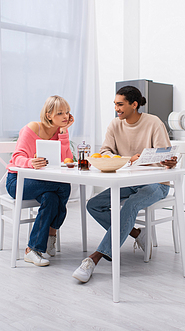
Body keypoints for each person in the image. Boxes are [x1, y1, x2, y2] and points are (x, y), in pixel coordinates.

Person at [72, 86, 177, 282]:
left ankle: (94, 259)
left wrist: (169, 161)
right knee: (93, 204)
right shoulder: (114, 125)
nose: (116, 108)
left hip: (156, 183)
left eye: (120, 104)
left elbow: (165, 154)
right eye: (115, 104)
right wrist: (128, 159)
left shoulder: (153, 122)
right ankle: (137, 232)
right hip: (127, 182)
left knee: (130, 204)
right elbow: (104, 152)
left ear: (134, 104)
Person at [6, 95, 74, 267]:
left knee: (51, 198)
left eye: (67, 112)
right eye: (60, 113)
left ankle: (32, 250)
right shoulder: (32, 128)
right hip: (18, 181)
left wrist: (64, 133)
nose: (65, 116)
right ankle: (52, 233)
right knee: (63, 185)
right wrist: (30, 162)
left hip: (43, 181)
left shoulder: (60, 132)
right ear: (49, 114)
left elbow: (67, 159)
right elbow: (16, 158)